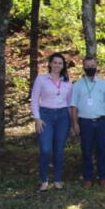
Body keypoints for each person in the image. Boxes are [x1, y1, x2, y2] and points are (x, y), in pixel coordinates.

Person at [31, 52, 73, 191]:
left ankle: (57, 179)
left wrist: (72, 122)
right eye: (54, 62)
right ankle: (44, 180)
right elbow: (35, 99)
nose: (57, 65)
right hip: (45, 115)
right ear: (49, 64)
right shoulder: (41, 79)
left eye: (60, 63)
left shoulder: (67, 81)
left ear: (63, 66)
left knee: (59, 150)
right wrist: (37, 118)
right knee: (46, 149)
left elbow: (69, 102)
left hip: (63, 116)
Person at [70, 56, 105, 188]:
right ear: (83, 67)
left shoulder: (103, 84)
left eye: (92, 65)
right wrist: (75, 123)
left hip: (100, 121)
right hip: (85, 122)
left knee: (102, 149)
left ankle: (103, 177)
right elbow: (73, 106)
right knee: (86, 151)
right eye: (87, 66)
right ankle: (88, 178)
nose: (90, 68)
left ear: (96, 66)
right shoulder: (77, 85)